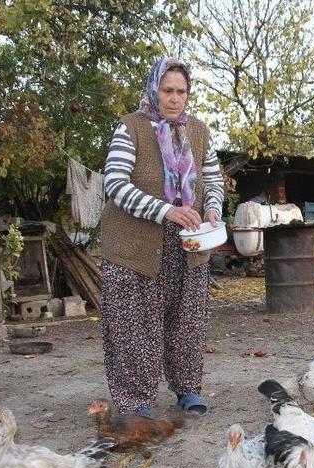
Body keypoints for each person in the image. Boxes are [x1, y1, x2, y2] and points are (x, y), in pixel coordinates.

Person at [99, 58, 224, 417]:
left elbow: (212, 181)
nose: (174, 99)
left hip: (188, 245)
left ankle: (187, 389)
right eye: (167, 90)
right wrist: (166, 210)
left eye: (181, 91)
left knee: (188, 322)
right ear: (154, 89)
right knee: (134, 325)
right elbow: (115, 184)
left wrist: (212, 209)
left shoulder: (199, 132)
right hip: (134, 247)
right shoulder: (131, 128)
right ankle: (135, 400)